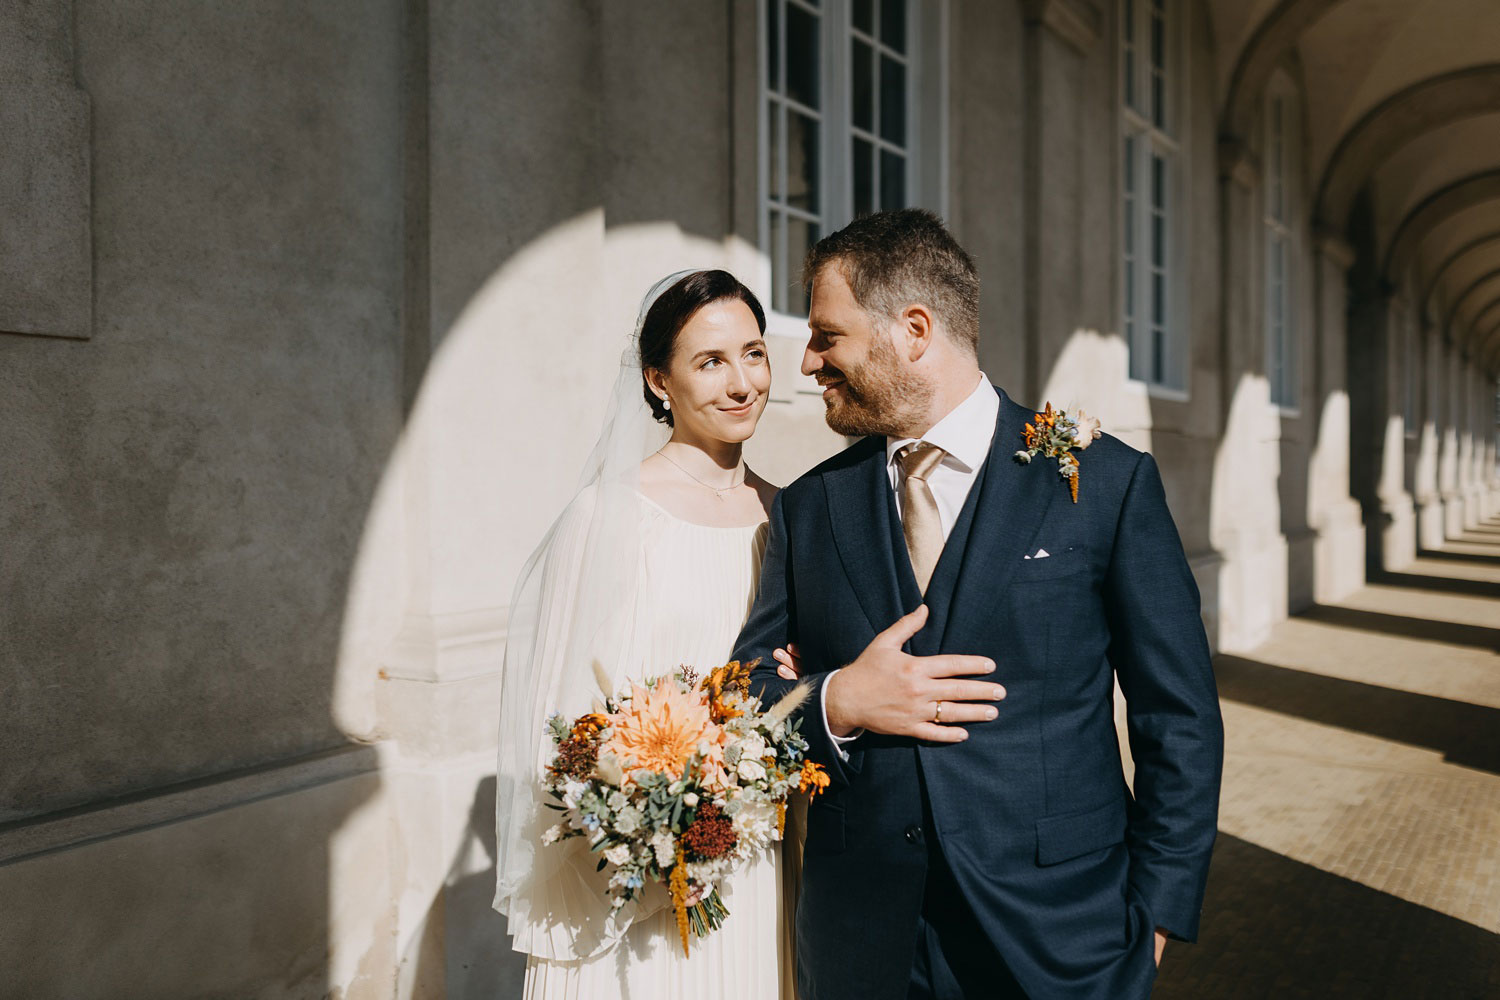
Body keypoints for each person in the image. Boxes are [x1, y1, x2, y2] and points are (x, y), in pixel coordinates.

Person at [735, 209, 1225, 1000]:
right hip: (862, 944)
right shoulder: (809, 507)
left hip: (1062, 935)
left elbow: (1180, 716)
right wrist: (837, 701)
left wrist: (1158, 915)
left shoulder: (1104, 484)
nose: (807, 363)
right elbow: (745, 693)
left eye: (828, 336)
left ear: (914, 330)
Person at [492, 269, 802, 999]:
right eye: (710, 362)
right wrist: (646, 824)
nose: (741, 383)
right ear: (659, 381)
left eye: (753, 354)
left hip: (762, 859)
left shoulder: (789, 514)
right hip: (644, 870)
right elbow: (556, 720)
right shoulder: (609, 513)